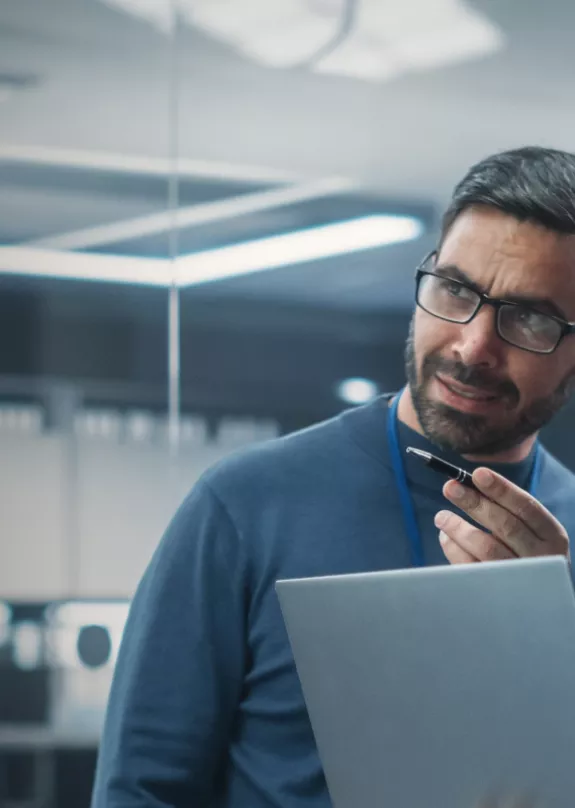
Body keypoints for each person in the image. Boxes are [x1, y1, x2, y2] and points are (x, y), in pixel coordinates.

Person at [91, 146, 575, 808]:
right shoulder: (245, 506)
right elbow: (141, 790)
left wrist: (554, 636)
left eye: (529, 319)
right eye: (455, 290)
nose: (471, 346)